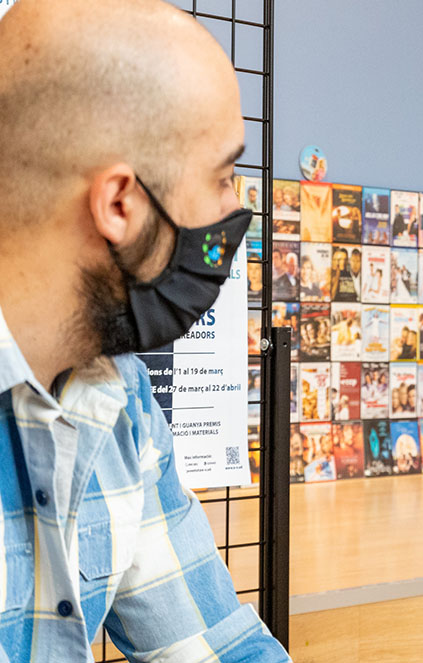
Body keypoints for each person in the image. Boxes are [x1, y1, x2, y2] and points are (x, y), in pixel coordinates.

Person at [0, 0, 290, 660]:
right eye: (222, 176)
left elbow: (217, 645)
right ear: (120, 204)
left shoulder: (119, 400)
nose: (235, 212)